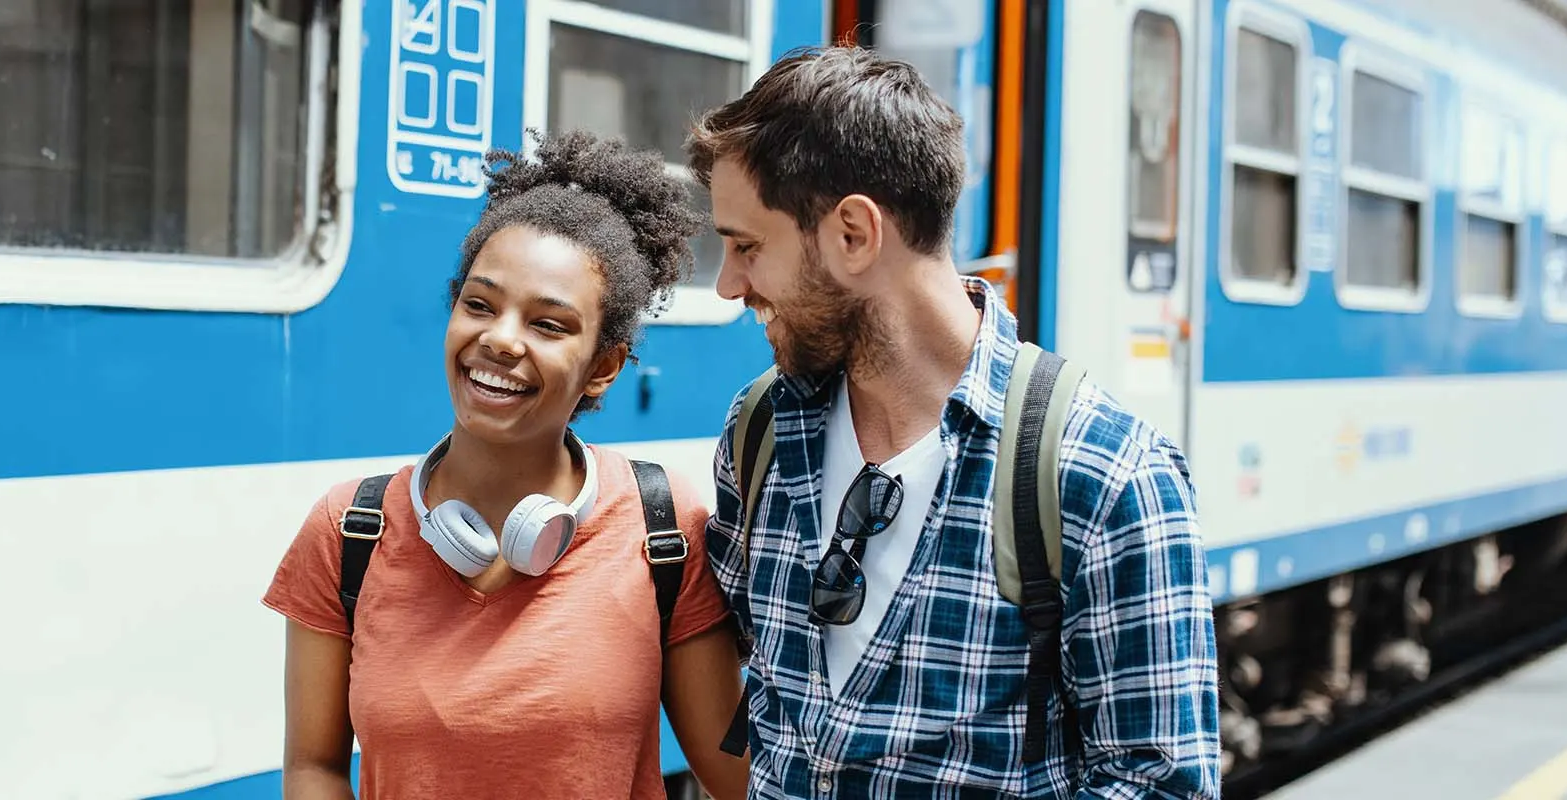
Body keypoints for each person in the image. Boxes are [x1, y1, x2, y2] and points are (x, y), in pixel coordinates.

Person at [682, 46, 1224, 798]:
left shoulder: (1106, 475)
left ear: (853, 235)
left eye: (747, 246)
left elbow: (1162, 784)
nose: (728, 284)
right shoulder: (761, 430)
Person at [261, 129, 751, 800]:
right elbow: (314, 765)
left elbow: (739, 777)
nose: (498, 339)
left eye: (548, 325)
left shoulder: (662, 529)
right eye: (479, 305)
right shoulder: (348, 531)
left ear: (603, 367)